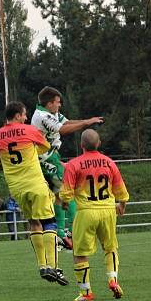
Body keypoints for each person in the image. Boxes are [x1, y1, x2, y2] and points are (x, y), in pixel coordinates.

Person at [0, 101, 68, 286]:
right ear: (18, 115)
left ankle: (42, 265)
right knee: (49, 222)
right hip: (36, 184)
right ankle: (53, 266)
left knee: (33, 223)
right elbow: (45, 148)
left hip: (17, 189)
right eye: (24, 115)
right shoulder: (29, 131)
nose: (26, 118)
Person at [60, 129, 130, 301]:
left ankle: (86, 293)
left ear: (81, 145)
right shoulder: (109, 163)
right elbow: (120, 189)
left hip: (86, 212)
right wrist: (122, 204)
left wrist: (64, 203)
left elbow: (65, 194)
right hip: (107, 210)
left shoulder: (74, 164)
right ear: (99, 144)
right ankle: (113, 279)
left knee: (79, 253)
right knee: (110, 247)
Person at [30, 86, 103, 249]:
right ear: (49, 103)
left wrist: (87, 121)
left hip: (50, 156)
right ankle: (75, 231)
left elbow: (67, 122)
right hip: (46, 158)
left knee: (58, 195)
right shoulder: (42, 116)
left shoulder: (50, 113)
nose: (59, 105)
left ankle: (61, 234)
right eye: (57, 102)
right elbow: (63, 129)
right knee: (69, 191)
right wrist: (87, 123)